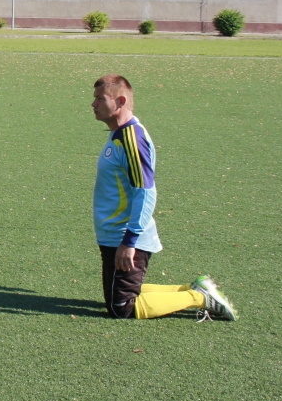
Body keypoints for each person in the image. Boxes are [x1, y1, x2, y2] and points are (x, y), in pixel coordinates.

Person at [91, 74, 236, 321]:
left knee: (122, 309)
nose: (93, 104)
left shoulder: (132, 140)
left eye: (100, 99)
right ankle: (195, 288)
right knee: (118, 297)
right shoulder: (118, 134)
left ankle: (200, 298)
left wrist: (130, 241)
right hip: (113, 234)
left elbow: (146, 192)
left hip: (125, 237)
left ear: (121, 100)